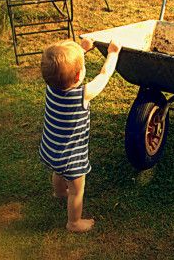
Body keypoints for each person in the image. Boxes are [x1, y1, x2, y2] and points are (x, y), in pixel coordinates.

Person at [39, 37, 121, 233]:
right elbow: (104, 75)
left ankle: (59, 192)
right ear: (78, 77)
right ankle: (74, 222)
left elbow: (63, 69)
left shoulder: (51, 86)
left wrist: (81, 49)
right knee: (77, 190)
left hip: (50, 149)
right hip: (71, 159)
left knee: (58, 172)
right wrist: (113, 54)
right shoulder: (83, 94)